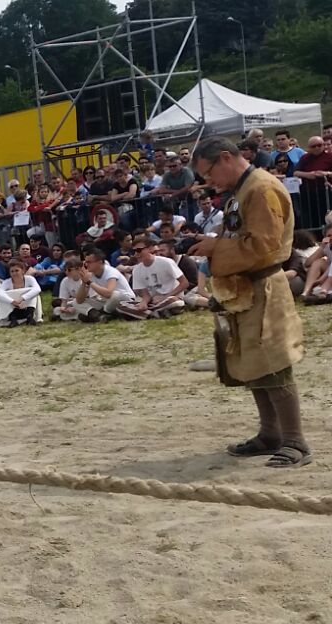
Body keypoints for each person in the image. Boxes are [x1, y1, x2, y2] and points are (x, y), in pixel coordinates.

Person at [187, 136, 311, 468]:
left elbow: (264, 245)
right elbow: (238, 235)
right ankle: (270, 434)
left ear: (225, 158)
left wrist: (216, 248)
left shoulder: (261, 188)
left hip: (265, 286)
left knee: (273, 362)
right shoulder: (241, 191)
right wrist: (216, 245)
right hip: (244, 288)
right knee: (254, 363)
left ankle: (295, 441)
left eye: (209, 173)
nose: (208, 181)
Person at [123, 237, 189, 320]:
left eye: (139, 250)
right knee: (122, 304)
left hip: (171, 297)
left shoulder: (166, 262)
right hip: (153, 301)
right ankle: (153, 312)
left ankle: (147, 313)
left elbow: (184, 283)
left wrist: (165, 297)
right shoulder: (136, 269)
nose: (136, 254)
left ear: (150, 249)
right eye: (134, 251)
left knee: (174, 302)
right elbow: (145, 294)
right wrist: (144, 302)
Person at [0, 260, 42, 326]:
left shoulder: (30, 279)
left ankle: (30, 317)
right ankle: (13, 319)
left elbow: (37, 289)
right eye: (12, 271)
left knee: (33, 293)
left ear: (23, 271)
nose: (14, 273)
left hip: (26, 307)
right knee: (5, 296)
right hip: (13, 309)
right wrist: (12, 301)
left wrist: (22, 298)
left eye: (17, 270)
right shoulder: (6, 282)